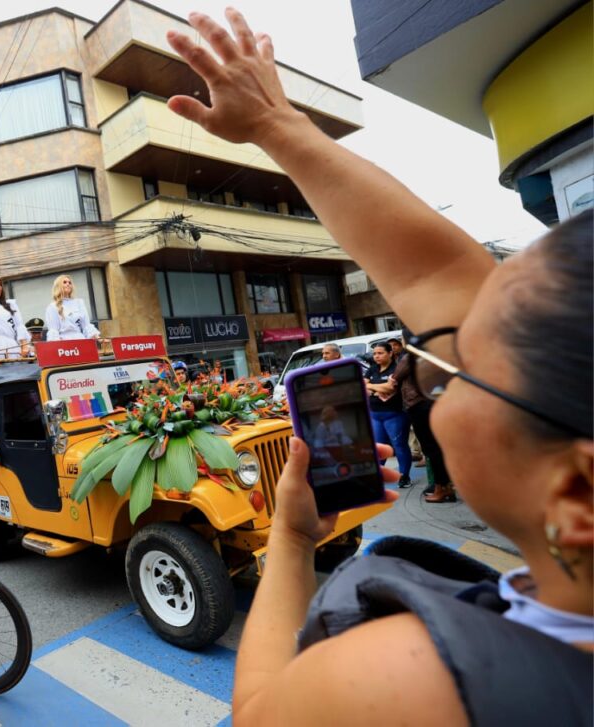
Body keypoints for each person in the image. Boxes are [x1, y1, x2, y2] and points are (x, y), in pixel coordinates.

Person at [166, 9, 592, 724]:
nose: (438, 363)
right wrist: (276, 124)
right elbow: (438, 274)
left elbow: (259, 710)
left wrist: (295, 536)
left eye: (459, 368)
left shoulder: (410, 681)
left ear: (577, 493)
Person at [383, 339, 456, 503]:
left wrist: (371, 386)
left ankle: (441, 488)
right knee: (437, 447)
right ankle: (447, 487)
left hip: (418, 405)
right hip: (434, 401)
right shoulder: (433, 353)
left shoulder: (410, 357)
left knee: (431, 449)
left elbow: (393, 381)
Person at [365, 341, 413, 487]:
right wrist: (378, 388)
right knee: (379, 447)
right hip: (376, 415)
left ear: (390, 353)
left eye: (380, 353)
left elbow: (390, 388)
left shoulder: (397, 368)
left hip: (395, 414)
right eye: (374, 354)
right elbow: (362, 387)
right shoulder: (372, 369)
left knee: (399, 445)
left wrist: (371, 387)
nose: (377, 356)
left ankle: (404, 476)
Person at [44, 274, 100, 341]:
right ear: (58, 286)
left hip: (80, 339)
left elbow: (86, 325)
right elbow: (53, 330)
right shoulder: (52, 307)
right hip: (64, 342)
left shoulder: (79, 302)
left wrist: (99, 339)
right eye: (64, 282)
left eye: (70, 282)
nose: (68, 284)